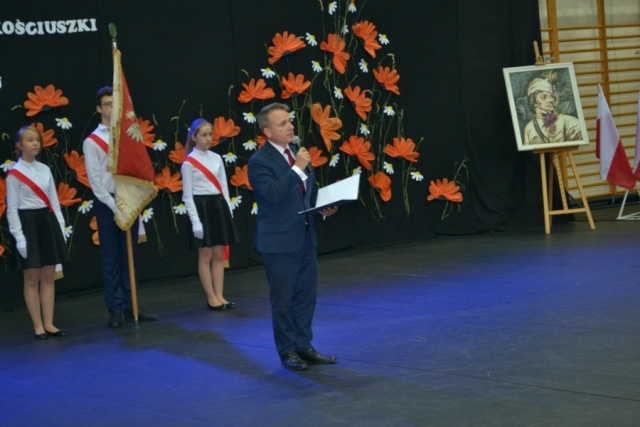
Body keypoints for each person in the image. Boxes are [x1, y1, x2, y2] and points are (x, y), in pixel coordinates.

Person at [248, 102, 338, 371]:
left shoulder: (297, 155)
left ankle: (304, 346)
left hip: (305, 237)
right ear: (267, 132)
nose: (290, 127)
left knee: (305, 297)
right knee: (283, 300)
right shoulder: (259, 161)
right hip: (279, 243)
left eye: (289, 121)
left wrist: (323, 207)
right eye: (282, 123)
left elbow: (308, 192)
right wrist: (298, 168)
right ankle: (287, 351)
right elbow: (273, 194)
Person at [83, 86, 159, 328]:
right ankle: (115, 308)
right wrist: (114, 205)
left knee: (130, 256)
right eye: (107, 104)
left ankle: (132, 305)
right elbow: (95, 181)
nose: (112, 107)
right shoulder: (92, 141)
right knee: (111, 257)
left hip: (128, 198)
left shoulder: (127, 134)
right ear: (99, 108)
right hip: (108, 202)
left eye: (115, 103)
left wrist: (131, 200)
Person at [6, 126, 70, 339]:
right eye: (29, 140)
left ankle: (49, 323)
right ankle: (38, 326)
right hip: (28, 224)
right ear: (19, 145)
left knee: (48, 276)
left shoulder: (45, 169)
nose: (35, 143)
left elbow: (54, 202)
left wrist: (60, 227)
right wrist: (19, 238)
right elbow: (12, 209)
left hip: (46, 222)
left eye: (37, 140)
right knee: (32, 277)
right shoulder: (14, 174)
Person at [181, 118, 239, 311]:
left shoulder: (216, 158)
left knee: (218, 254)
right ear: (194, 137)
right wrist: (195, 222)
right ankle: (211, 297)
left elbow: (224, 187)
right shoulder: (189, 163)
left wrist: (228, 210)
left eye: (210, 135)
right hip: (201, 208)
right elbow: (187, 196)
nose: (208, 138)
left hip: (218, 206)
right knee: (205, 255)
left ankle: (220, 295)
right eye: (204, 135)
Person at [523, 77, 583, 146]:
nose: (551, 100)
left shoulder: (567, 120)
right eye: (543, 97)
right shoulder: (529, 128)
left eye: (551, 96)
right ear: (533, 102)